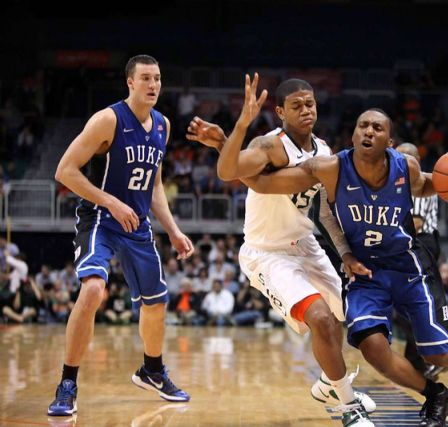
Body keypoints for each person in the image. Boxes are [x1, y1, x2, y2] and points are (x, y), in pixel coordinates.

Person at [246, 108, 448, 426]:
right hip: (366, 272)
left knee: (437, 355)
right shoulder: (332, 167)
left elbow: (428, 184)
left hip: (408, 267)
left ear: (389, 141)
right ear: (352, 136)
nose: (368, 131)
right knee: (372, 348)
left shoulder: (405, 166)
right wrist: (228, 150)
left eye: (377, 128)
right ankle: (436, 395)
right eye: (362, 126)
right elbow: (265, 183)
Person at [187, 74, 375, 427]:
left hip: (306, 245)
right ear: (280, 112)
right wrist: (241, 123)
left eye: (310, 104)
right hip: (268, 253)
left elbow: (322, 210)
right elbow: (229, 171)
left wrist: (346, 253)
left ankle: (327, 386)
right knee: (319, 318)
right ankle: (348, 407)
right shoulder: (271, 145)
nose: (306, 110)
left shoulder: (323, 151)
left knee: (341, 322)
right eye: (297, 105)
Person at [48, 55, 194, 417]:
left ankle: (152, 370)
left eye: (157, 78)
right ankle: (68, 382)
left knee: (157, 303)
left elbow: (155, 185)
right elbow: (65, 171)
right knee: (94, 289)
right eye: (145, 78)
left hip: (137, 224)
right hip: (100, 217)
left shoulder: (163, 125)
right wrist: (110, 201)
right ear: (130, 82)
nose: (153, 85)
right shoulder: (108, 119)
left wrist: (173, 230)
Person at [395, 142, 444, 380]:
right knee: (401, 304)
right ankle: (417, 357)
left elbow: (415, 223)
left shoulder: (417, 183)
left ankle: (433, 352)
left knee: (414, 302)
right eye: (398, 157)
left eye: (407, 158)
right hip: (408, 242)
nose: (401, 162)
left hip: (421, 242)